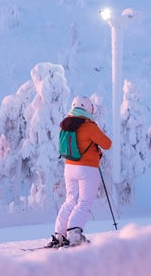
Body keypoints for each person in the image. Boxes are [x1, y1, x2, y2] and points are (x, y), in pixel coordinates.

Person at [47, 96, 112, 247]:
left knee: (70, 200)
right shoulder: (89, 126)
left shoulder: (65, 124)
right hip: (87, 169)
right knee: (84, 202)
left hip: (69, 167)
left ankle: (60, 234)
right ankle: (75, 234)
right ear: (88, 108)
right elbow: (107, 144)